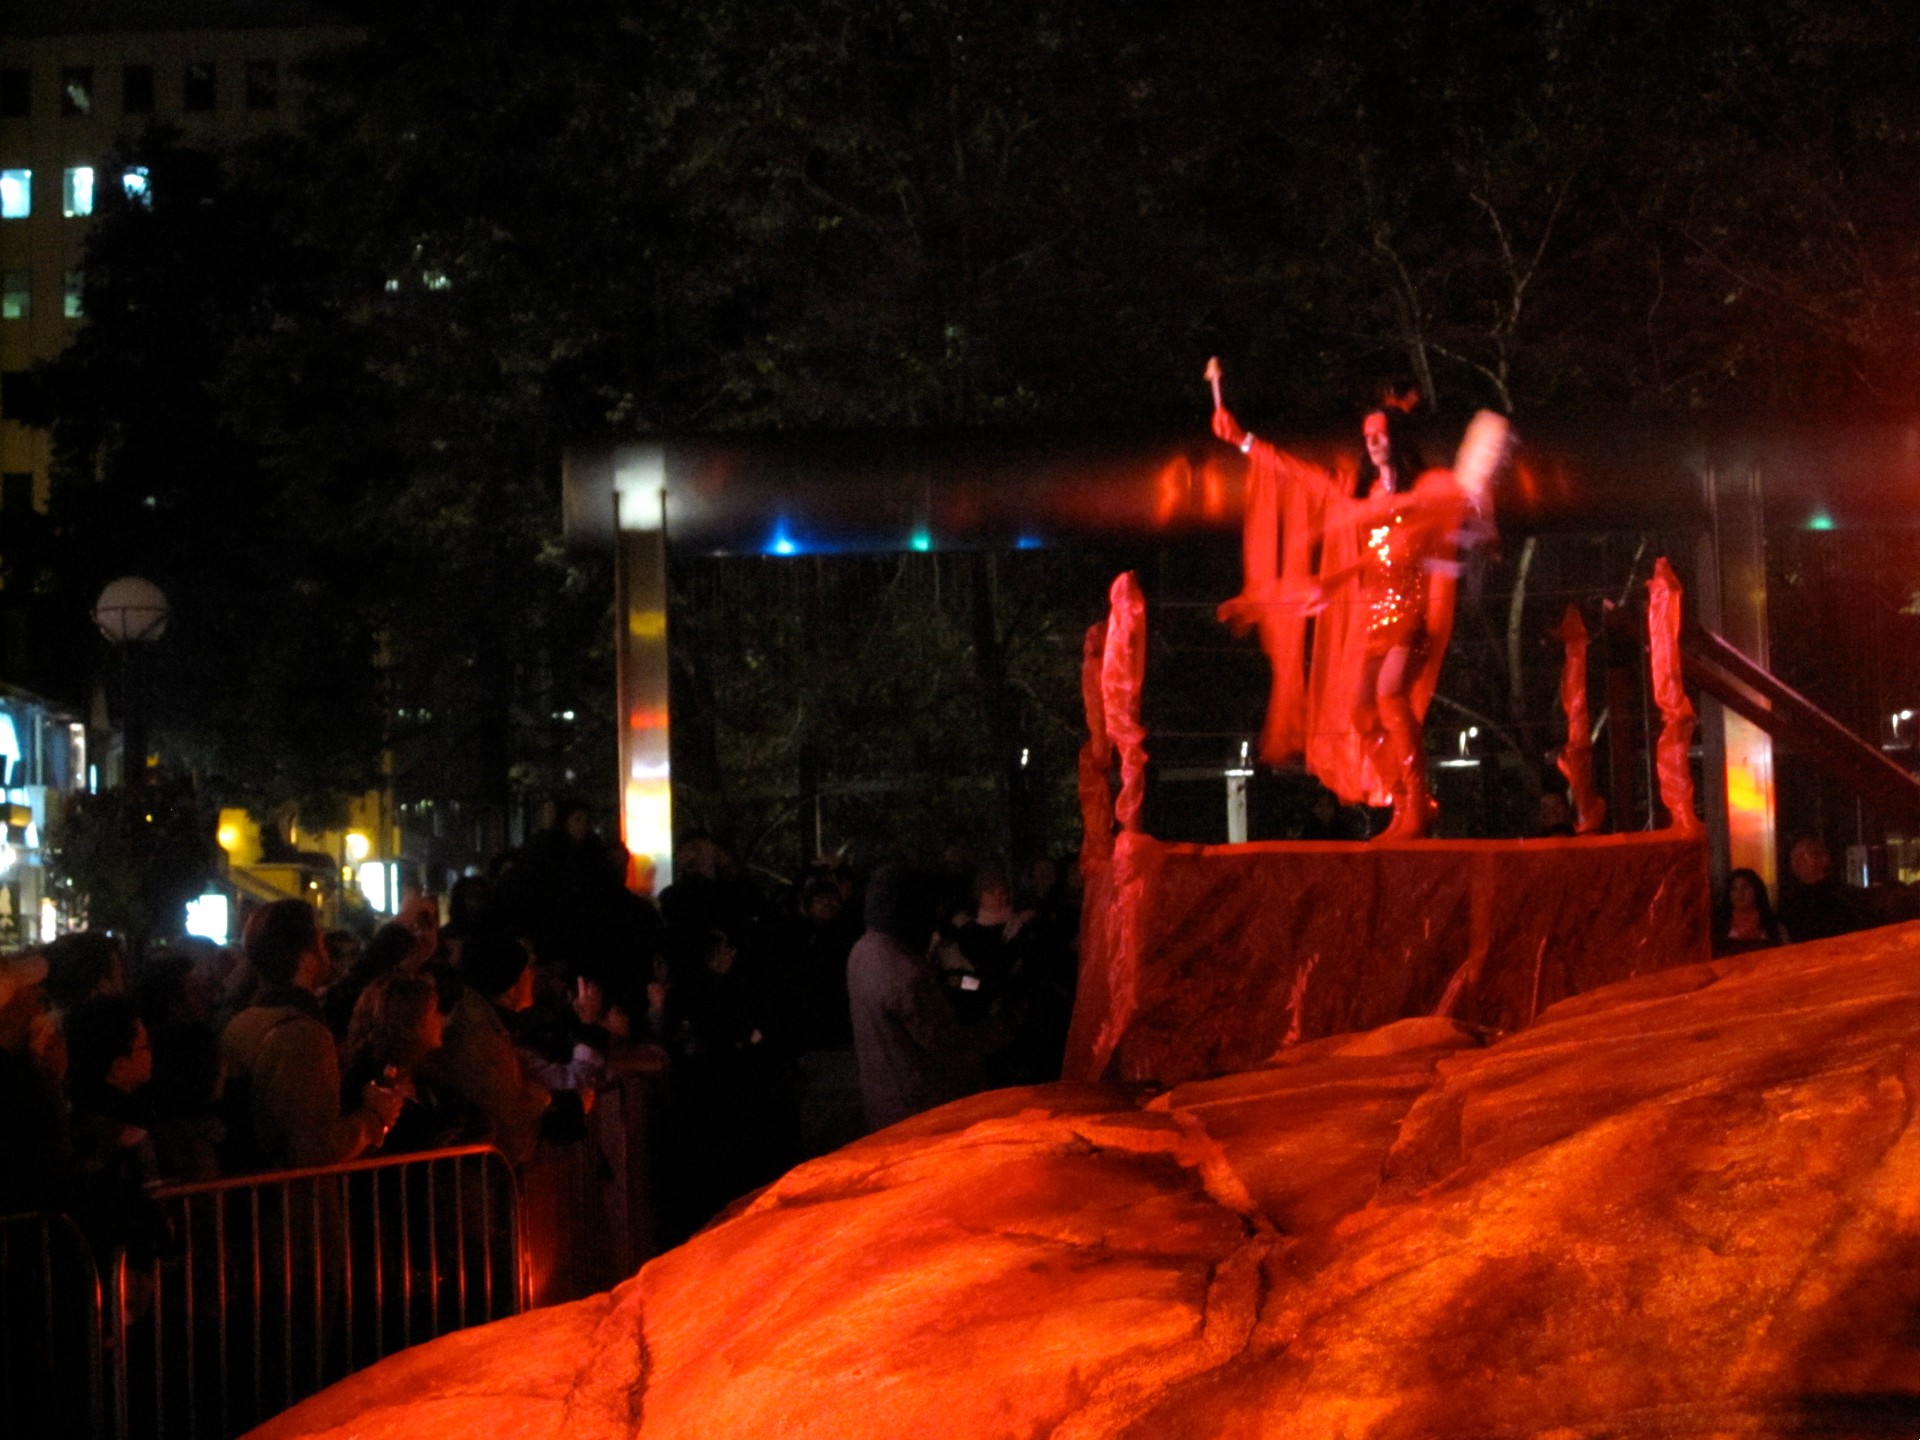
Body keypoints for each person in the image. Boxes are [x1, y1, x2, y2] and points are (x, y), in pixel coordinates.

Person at [1209, 368, 1508, 838]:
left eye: (1380, 433)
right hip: (1376, 618)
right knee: (1362, 714)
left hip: (1410, 616)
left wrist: (1477, 518)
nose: (1372, 442)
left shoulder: (1422, 490)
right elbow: (1299, 476)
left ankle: (1416, 801)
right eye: (1367, 435)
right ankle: (1407, 799)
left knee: (1390, 697)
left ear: (1396, 438)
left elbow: (1458, 507)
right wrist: (1243, 441)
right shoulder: (1359, 494)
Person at [219, 900, 403, 1170]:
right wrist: (373, 1117)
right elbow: (314, 1147)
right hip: (296, 1193)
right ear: (304, 959)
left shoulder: (242, 1022)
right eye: (320, 939)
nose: (327, 948)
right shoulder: (303, 1036)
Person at [848, 863, 995, 1132]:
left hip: (881, 1104)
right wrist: (994, 1031)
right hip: (920, 1112)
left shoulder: (861, 951)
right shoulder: (905, 970)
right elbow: (946, 1043)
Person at [425, 930, 552, 1167]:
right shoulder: (479, 1038)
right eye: (527, 970)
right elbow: (507, 1116)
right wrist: (542, 1098)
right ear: (510, 984)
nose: (533, 976)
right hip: (484, 1171)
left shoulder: (486, 1024)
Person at [340, 972, 476, 1154]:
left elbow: (471, 1117)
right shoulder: (365, 1085)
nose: (442, 1018)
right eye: (435, 1011)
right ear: (410, 1021)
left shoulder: (425, 1079)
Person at [1777, 837, 1858, 943]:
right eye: (1816, 854)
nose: (1825, 859)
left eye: (1824, 854)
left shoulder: (1843, 898)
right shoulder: (1790, 903)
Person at [1712, 868, 1784, 956]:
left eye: (1746, 887)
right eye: (1734, 888)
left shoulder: (1772, 924)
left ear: (1756, 891)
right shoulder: (1719, 924)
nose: (1739, 893)